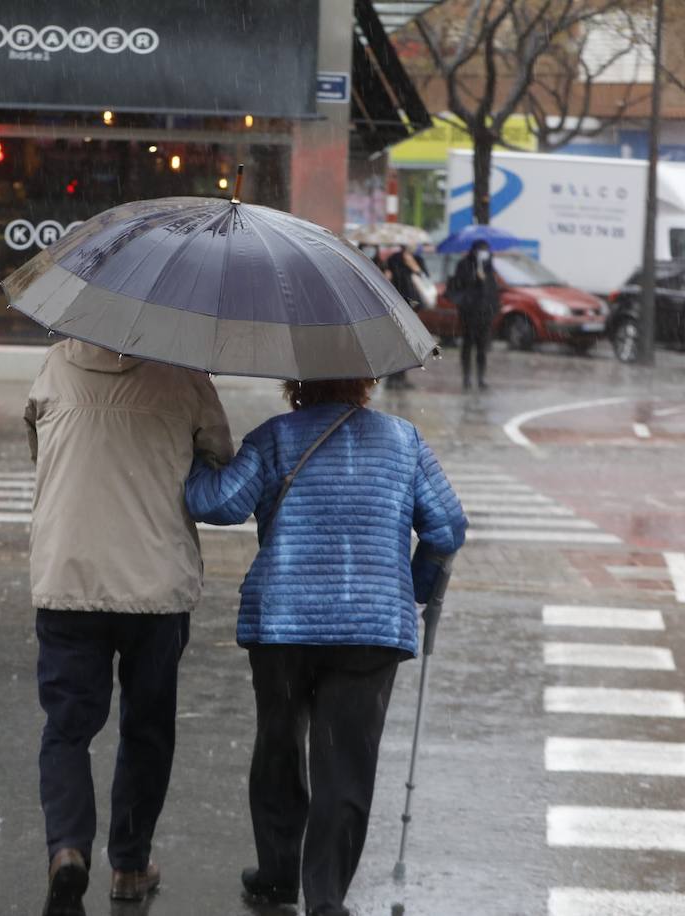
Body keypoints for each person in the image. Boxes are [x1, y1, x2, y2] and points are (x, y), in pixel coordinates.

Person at [184, 378, 466, 916]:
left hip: (284, 624)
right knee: (345, 765)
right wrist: (416, 585)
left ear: (296, 382)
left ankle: (278, 873)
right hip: (370, 628)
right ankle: (327, 897)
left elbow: (218, 503)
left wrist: (193, 454)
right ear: (366, 381)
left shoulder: (275, 438)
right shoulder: (404, 440)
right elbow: (448, 527)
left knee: (280, 745)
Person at [25, 338, 233, 914]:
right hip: (154, 581)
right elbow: (219, 459)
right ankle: (130, 864)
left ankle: (67, 848)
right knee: (147, 729)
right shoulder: (185, 375)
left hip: (69, 573)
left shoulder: (56, 364)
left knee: (67, 727)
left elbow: (38, 448)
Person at [448, 240, 500, 389]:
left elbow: (492, 290)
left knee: (482, 348)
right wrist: (474, 278)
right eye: (481, 249)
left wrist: (493, 309)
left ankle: (481, 378)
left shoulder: (489, 267)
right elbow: (459, 285)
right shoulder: (464, 265)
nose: (484, 252)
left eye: (486, 249)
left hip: (485, 314)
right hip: (469, 313)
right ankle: (466, 377)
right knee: (467, 345)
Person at [385, 246, 432, 390]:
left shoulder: (417, 259)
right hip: (396, 303)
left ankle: (402, 376)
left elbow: (425, 278)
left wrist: (414, 266)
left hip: (412, 305)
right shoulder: (394, 259)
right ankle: (393, 378)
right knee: (396, 341)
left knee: (407, 343)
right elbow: (388, 277)